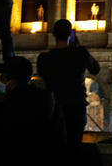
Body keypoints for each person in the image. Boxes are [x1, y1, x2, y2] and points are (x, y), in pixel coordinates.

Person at [0, 56, 66, 166]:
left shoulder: (3, 110)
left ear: (7, 79)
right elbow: (61, 142)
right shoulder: (50, 104)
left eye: (1, 76)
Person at [36, 19, 100, 165]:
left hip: (54, 108)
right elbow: (95, 69)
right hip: (76, 108)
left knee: (54, 149)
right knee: (74, 149)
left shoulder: (44, 58)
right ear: (70, 35)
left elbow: (44, 78)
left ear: (54, 35)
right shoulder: (80, 53)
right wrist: (78, 48)